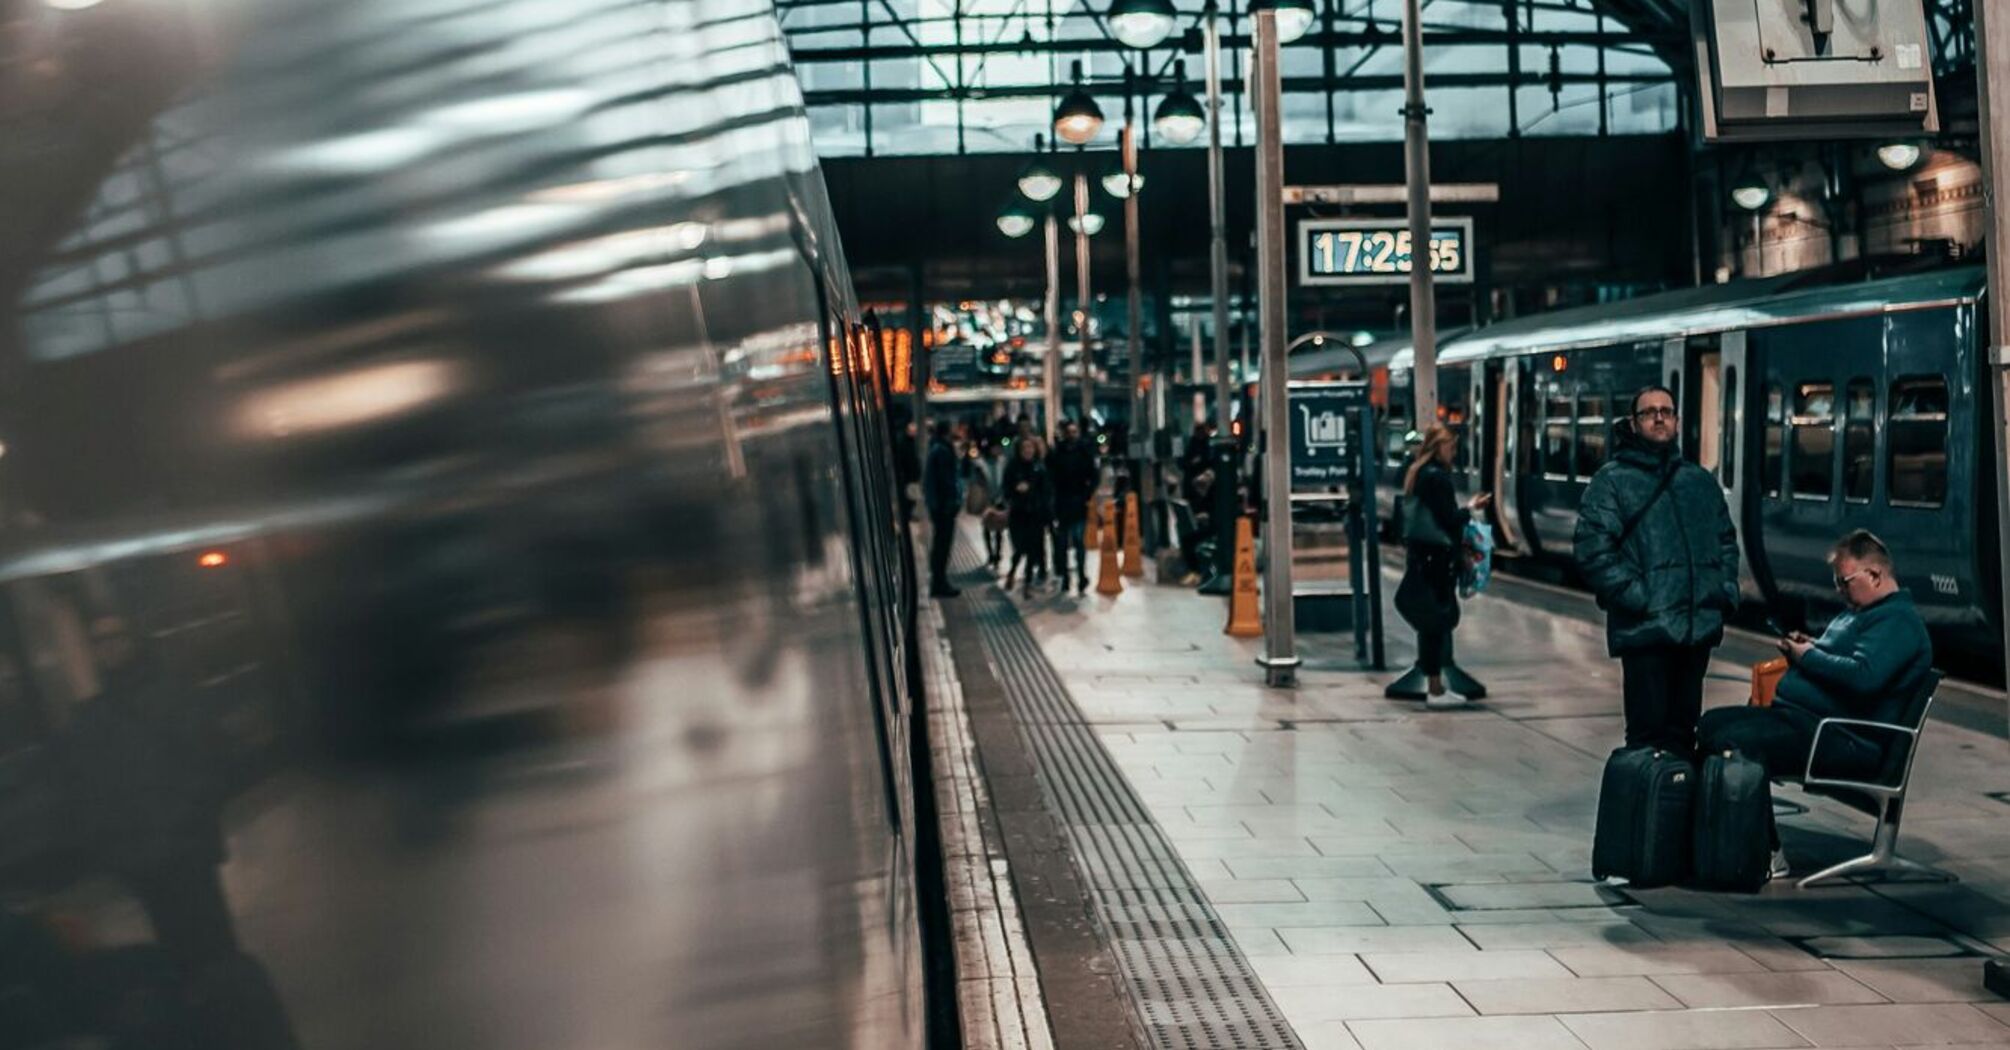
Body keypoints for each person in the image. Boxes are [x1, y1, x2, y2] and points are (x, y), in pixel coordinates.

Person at [1698, 530, 1932, 879]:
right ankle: (1721, 842)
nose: (1840, 590)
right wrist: (1810, 648)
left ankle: (1766, 852)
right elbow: (1841, 659)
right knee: (1712, 724)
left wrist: (1807, 658)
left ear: (1875, 574)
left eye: (1845, 581)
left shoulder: (1898, 622)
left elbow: (1863, 677)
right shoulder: (1863, 613)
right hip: (1810, 722)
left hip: (1845, 739)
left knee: (1738, 741)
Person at [1574, 385, 1740, 757]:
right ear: (1634, 424)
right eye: (1649, 412)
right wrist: (1640, 599)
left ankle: (1675, 808)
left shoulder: (1698, 481)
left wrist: (1724, 592)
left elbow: (1726, 541)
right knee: (1647, 737)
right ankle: (1645, 811)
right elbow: (1592, 550)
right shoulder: (1611, 481)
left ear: (1678, 420)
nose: (1659, 417)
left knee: (1684, 731)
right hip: (1646, 630)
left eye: (1666, 411)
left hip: (1697, 630)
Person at [1394, 426, 1490, 709]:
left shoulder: (1416, 473)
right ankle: (1435, 690)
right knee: (1437, 621)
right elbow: (1448, 518)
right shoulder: (1437, 478)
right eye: (1450, 447)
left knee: (1430, 621)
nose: (1454, 452)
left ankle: (1434, 685)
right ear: (1439, 447)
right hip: (1438, 558)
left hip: (1421, 556)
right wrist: (1471, 507)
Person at [1046, 420, 1100, 594]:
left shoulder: (1084, 452)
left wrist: (1087, 494)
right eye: (1069, 432)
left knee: (1078, 542)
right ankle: (1065, 577)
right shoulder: (1057, 453)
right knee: (1062, 544)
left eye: (1074, 432)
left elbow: (1094, 475)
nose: (1072, 435)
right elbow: (1050, 477)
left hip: (1078, 502)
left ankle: (1081, 575)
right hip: (1062, 503)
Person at [1002, 437, 1053, 598]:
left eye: (1030, 448)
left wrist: (1047, 513)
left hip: (1035, 514)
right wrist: (1016, 490)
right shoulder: (1012, 467)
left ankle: (1027, 583)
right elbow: (1006, 488)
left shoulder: (1039, 468)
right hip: (1018, 513)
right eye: (1025, 448)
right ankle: (1012, 571)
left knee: (1032, 549)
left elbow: (1046, 491)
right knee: (1020, 548)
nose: (1028, 451)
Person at [922, 421, 961, 598]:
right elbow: (947, 481)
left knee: (940, 544)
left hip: (938, 506)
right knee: (942, 545)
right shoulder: (943, 451)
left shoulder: (935, 448)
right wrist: (951, 503)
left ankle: (938, 580)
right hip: (944, 507)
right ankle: (939, 582)